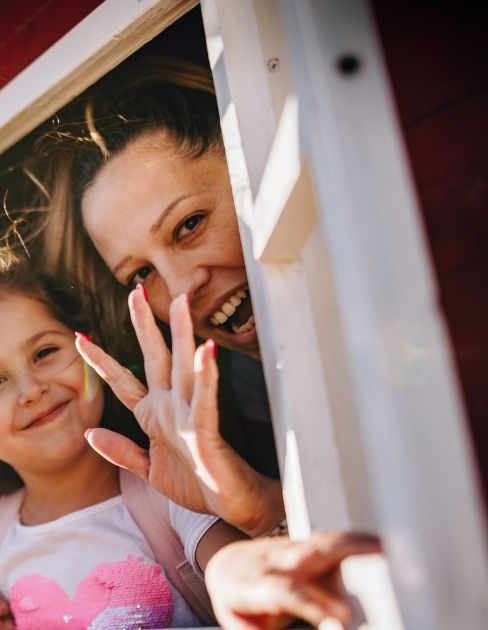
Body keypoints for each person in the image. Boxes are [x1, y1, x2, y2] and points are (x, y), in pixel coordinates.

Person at [33, 56, 379, 627]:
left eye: (189, 225)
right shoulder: (237, 391)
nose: (180, 290)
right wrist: (260, 511)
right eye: (140, 274)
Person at [0, 245, 246, 629]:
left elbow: (239, 573)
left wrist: (261, 583)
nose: (31, 389)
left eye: (45, 352)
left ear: (93, 355)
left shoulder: (167, 487)